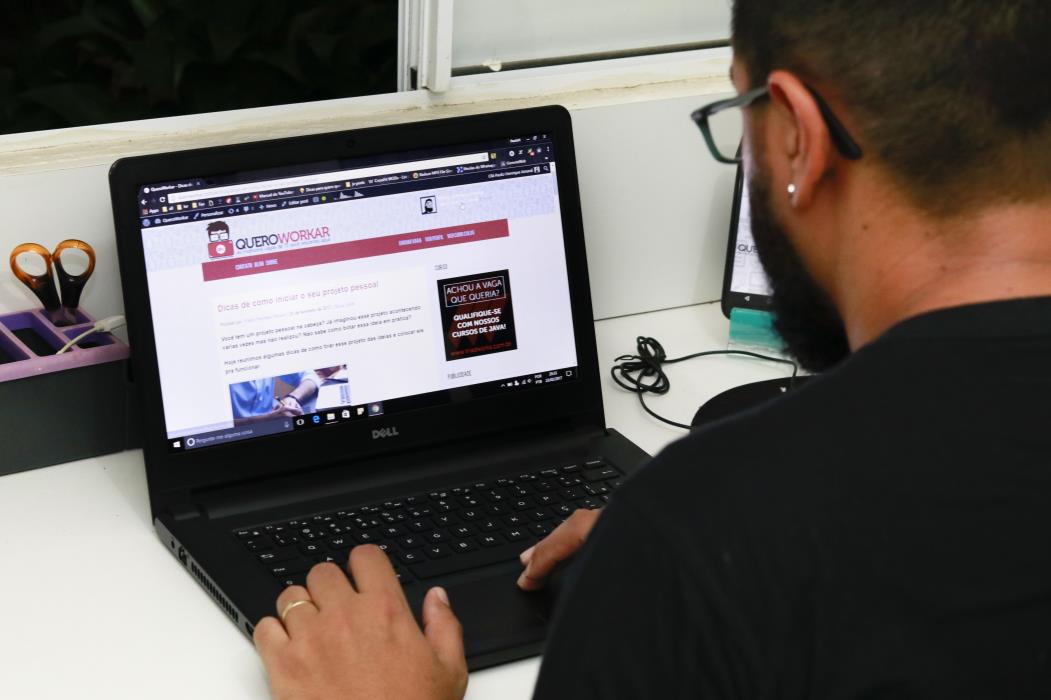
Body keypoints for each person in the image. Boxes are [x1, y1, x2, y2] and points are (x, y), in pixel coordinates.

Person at [252, 0, 1051, 697]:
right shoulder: (711, 536)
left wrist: (689, 550)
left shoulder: (696, 549)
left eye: (741, 113)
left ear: (796, 138)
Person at [230, 371, 320, 425]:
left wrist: (292, 397)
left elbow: (311, 377)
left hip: (275, 423)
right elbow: (222, 428)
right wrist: (267, 419)